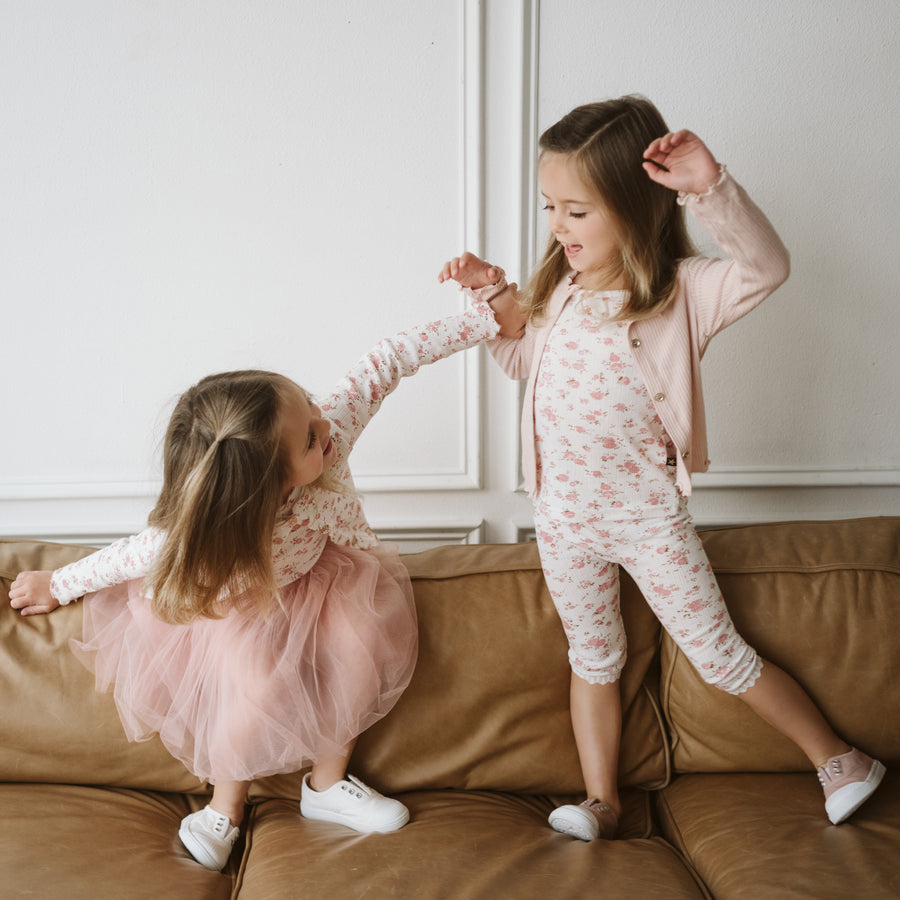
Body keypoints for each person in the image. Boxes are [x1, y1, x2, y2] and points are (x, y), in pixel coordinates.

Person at [439, 95, 885, 841]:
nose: (557, 226)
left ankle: (840, 759)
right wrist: (495, 297)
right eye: (551, 207)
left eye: (576, 211)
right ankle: (602, 802)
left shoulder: (686, 292)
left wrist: (709, 188)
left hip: (646, 517)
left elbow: (768, 266)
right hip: (565, 519)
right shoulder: (557, 291)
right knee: (593, 658)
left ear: (634, 204)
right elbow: (522, 359)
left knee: (720, 657)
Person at [9, 296, 504, 870]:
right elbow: (123, 559)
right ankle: (224, 807)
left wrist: (486, 316)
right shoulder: (198, 540)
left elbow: (388, 360)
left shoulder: (327, 423)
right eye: (311, 440)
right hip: (240, 611)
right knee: (254, 691)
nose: (327, 429)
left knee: (362, 646)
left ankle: (326, 786)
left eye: (312, 409)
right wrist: (57, 584)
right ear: (265, 486)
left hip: (326, 578)